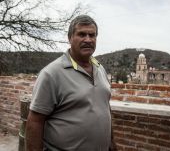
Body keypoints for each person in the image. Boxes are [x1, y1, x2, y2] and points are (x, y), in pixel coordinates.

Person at [26, 15, 115, 150]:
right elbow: (35, 121)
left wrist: (111, 142)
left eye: (92, 35)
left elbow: (105, 107)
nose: (88, 39)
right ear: (70, 38)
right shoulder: (51, 74)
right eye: (81, 34)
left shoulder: (100, 69)